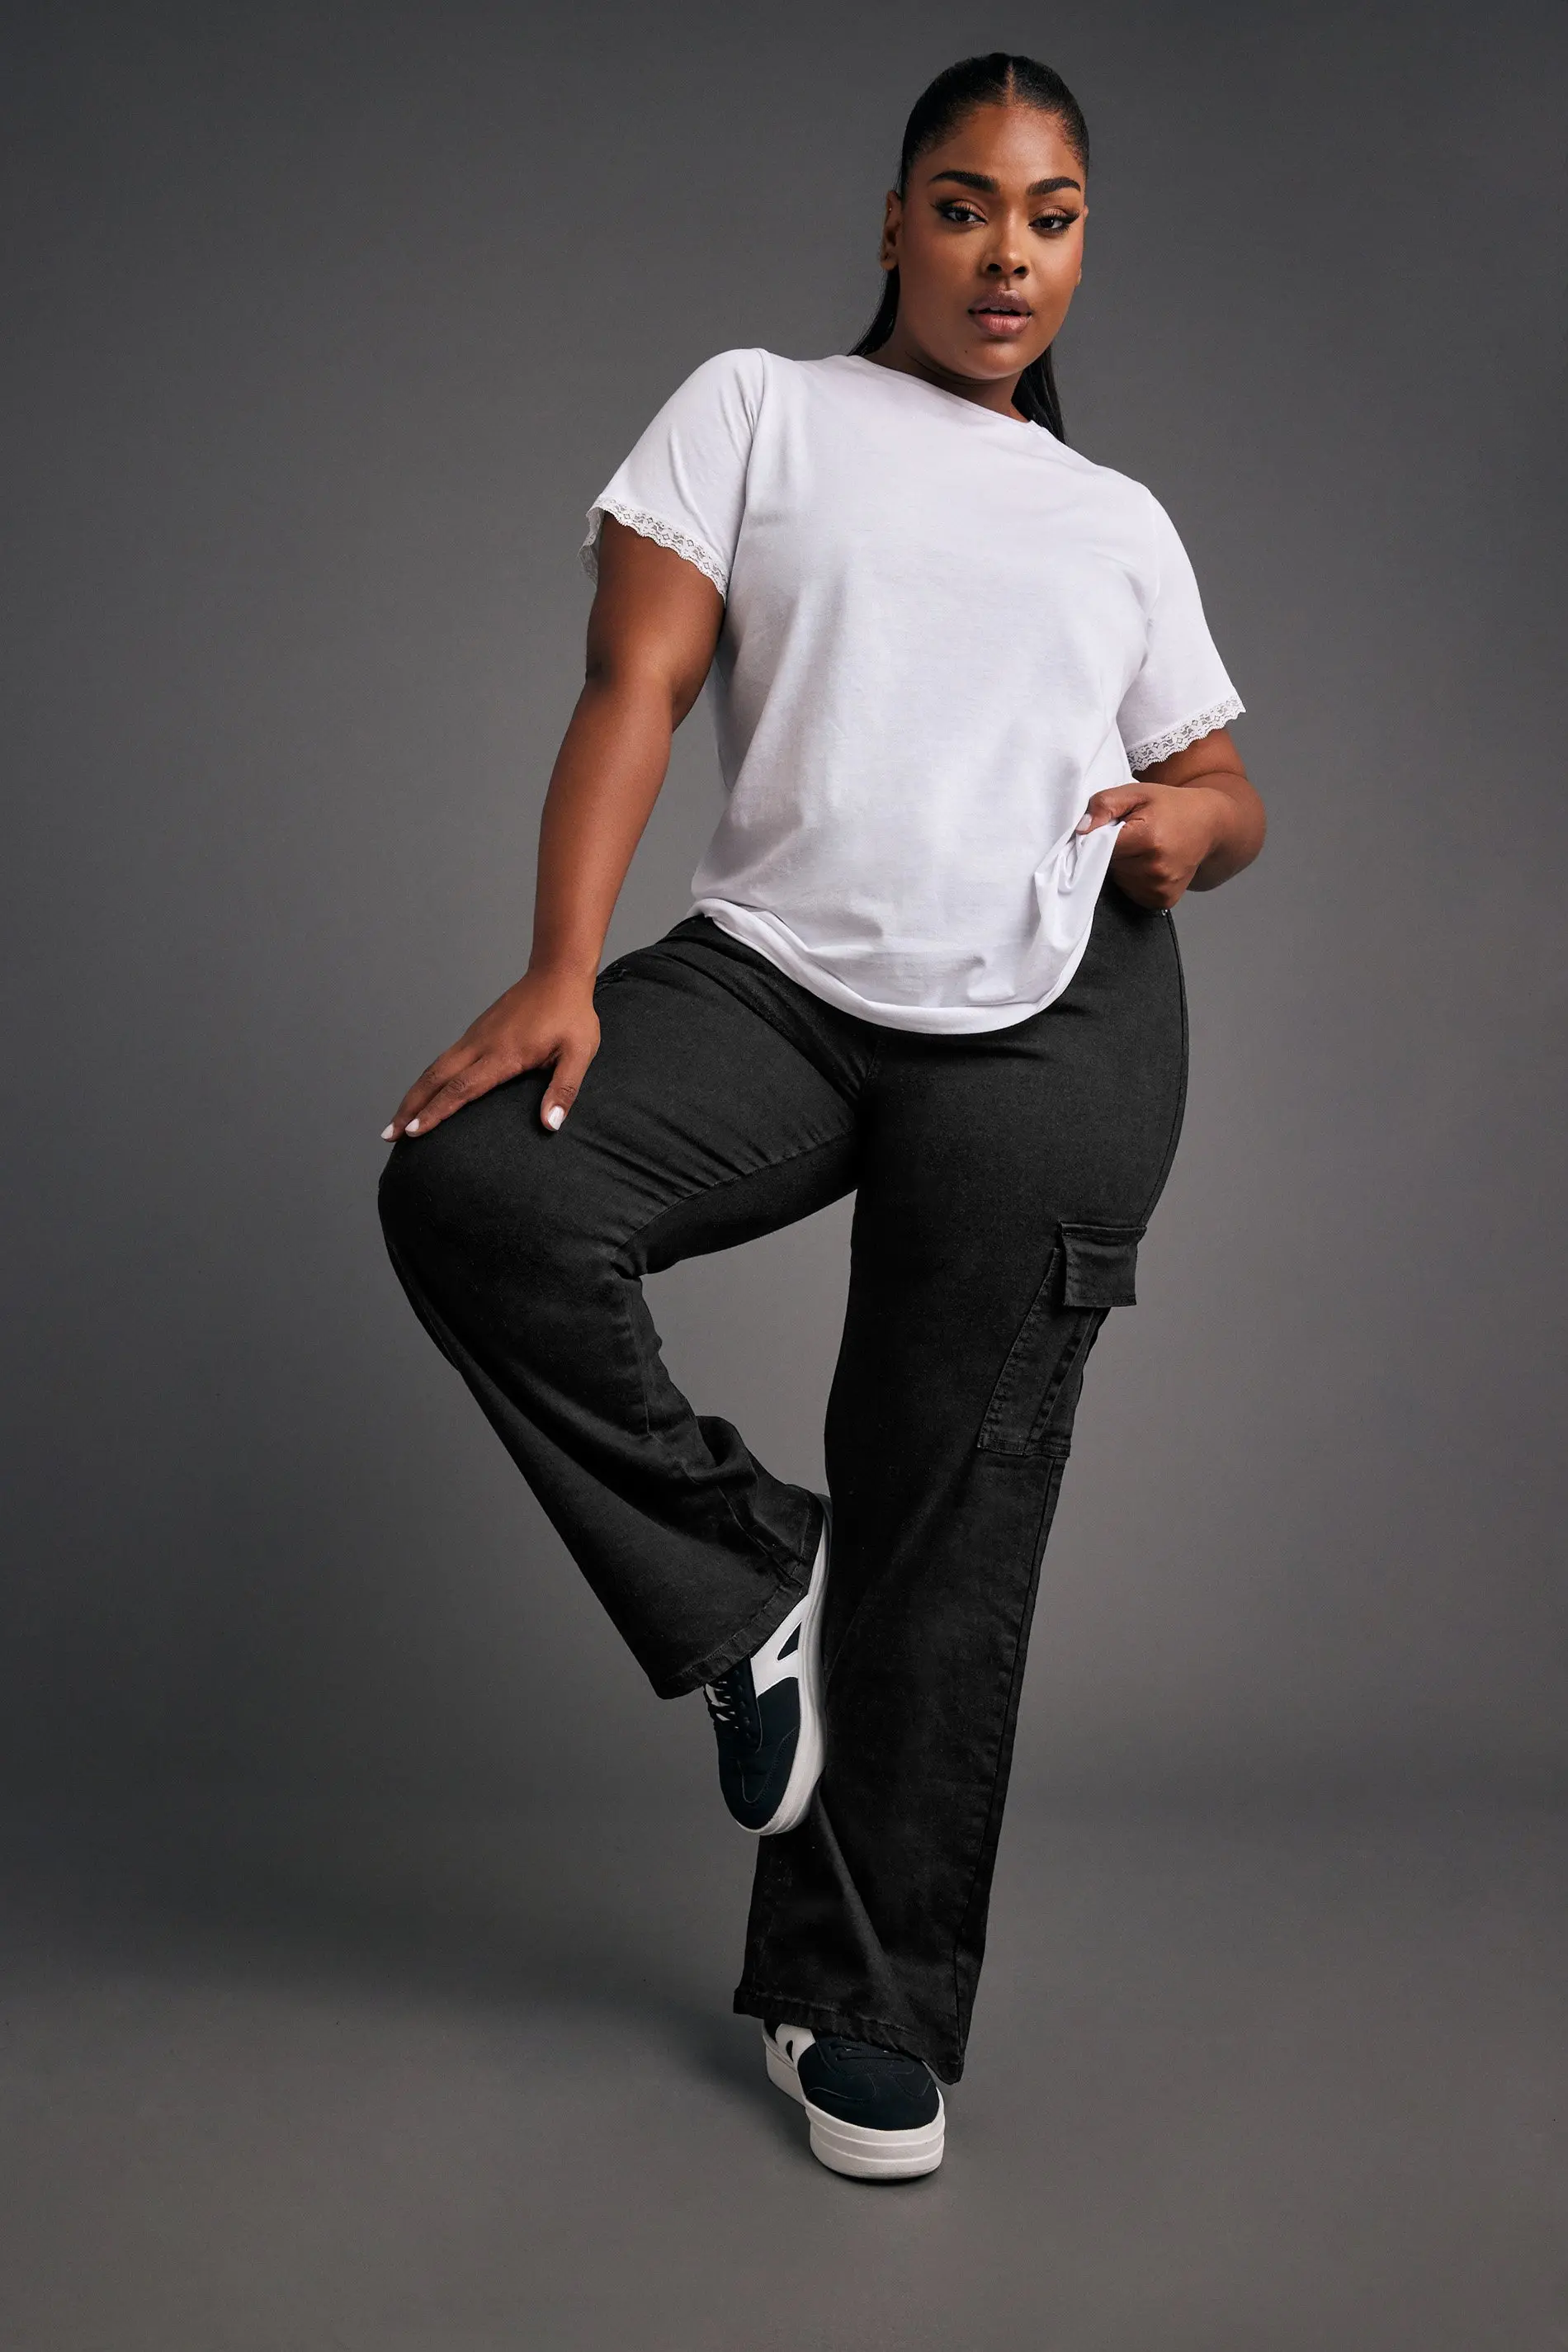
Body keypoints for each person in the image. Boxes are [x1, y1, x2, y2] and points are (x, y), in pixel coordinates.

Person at [376, 52, 1265, 2181]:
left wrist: (1193, 831)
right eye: (965, 206)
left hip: (1059, 1023)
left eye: (1050, 218)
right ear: (894, 223)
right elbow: (637, 684)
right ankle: (740, 1578)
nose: (1006, 256)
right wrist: (565, 964)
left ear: (1081, 249)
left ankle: (859, 2003)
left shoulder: (1116, 519)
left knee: (952, 1511)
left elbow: (1232, 789)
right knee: (481, 1190)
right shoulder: (759, 410)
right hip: (780, 980)